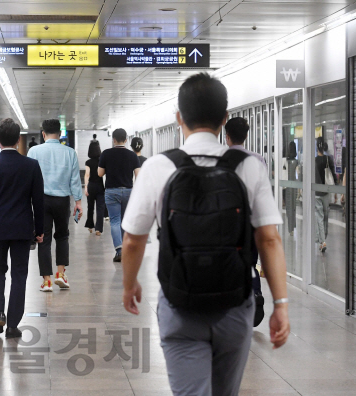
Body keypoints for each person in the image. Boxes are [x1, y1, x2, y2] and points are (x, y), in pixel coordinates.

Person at [121, 73, 290, 396]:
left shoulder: (159, 167)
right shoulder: (248, 166)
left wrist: (130, 285)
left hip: (179, 302)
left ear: (178, 117)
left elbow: (132, 240)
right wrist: (280, 303)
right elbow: (269, 239)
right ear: (224, 119)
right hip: (234, 305)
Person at [0, 118, 44, 339]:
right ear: (18, 140)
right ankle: (13, 325)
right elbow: (38, 201)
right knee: (19, 274)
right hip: (22, 229)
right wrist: (40, 229)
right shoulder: (31, 166)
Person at [28, 119, 83, 292]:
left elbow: (28, 178)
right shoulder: (70, 152)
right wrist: (79, 202)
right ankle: (61, 274)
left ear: (43, 134)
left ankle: (47, 281)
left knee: (43, 238)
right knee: (62, 236)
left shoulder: (33, 151)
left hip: (41, 200)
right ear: (60, 134)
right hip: (62, 200)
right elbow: (75, 180)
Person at [225, 117, 267, 327]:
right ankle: (255, 293)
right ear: (246, 136)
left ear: (227, 137)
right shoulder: (258, 159)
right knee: (250, 262)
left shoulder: (221, 159)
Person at [98, 129, 141, 262]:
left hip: (111, 191)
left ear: (114, 139)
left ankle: (119, 251)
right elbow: (138, 175)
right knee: (125, 221)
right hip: (128, 191)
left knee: (115, 221)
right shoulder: (132, 155)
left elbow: (100, 173)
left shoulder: (106, 153)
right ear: (126, 139)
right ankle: (127, 250)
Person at [315, 136, 337, 253]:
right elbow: (333, 175)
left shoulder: (314, 161)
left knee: (319, 216)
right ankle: (323, 240)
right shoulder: (328, 159)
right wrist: (336, 191)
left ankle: (322, 241)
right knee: (325, 216)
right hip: (326, 192)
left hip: (317, 193)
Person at [84, 141, 105, 236]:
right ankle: (99, 229)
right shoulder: (101, 161)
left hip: (91, 186)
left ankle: (90, 226)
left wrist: (85, 187)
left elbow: (87, 174)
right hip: (100, 186)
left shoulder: (88, 162)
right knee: (100, 208)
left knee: (90, 207)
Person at [283, 142, 299, 236]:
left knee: (289, 207)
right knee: (293, 207)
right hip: (295, 186)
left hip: (288, 186)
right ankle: (293, 225)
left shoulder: (286, 161)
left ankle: (290, 229)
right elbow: (298, 174)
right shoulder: (296, 162)